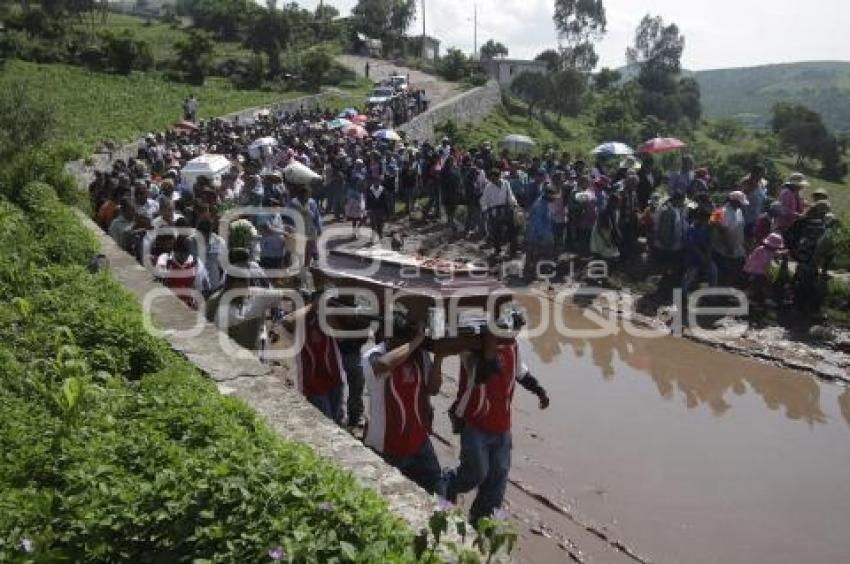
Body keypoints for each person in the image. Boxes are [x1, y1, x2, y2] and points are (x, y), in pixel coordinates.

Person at [444, 327, 549, 524]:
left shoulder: (513, 347)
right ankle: (448, 483)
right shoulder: (471, 351)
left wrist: (539, 390)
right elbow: (482, 373)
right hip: (475, 423)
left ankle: (480, 521)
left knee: (497, 479)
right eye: (510, 331)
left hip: (502, 425)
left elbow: (521, 372)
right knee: (475, 473)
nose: (514, 335)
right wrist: (490, 343)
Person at [363, 312, 443, 494]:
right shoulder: (374, 355)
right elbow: (383, 366)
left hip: (418, 440)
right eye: (403, 339)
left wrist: (439, 357)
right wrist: (416, 342)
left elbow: (433, 389)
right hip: (388, 446)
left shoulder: (419, 356)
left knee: (437, 488)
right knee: (388, 496)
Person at [281, 294, 346, 423]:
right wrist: (313, 305)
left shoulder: (324, 319)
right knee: (326, 421)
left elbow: (341, 336)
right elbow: (287, 321)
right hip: (313, 382)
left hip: (334, 377)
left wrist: (327, 311)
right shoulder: (297, 326)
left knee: (337, 420)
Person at [155, 235, 211, 310]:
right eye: (180, 253)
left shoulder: (197, 264)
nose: (183, 256)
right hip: (168, 303)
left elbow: (198, 289)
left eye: (186, 253)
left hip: (188, 306)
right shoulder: (165, 259)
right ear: (174, 250)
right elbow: (160, 276)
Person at [480, 168, 519, 259]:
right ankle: (497, 250)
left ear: (498, 177)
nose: (493, 181)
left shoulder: (505, 183)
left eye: (494, 179)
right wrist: (485, 211)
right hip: (494, 211)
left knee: (512, 230)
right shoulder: (488, 187)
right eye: (491, 179)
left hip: (506, 209)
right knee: (496, 232)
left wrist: (514, 203)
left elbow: (510, 195)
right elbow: (483, 201)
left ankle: (513, 249)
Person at [712, 191, 748, 286]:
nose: (741, 205)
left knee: (736, 268)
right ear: (734, 201)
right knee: (724, 271)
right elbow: (720, 230)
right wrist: (728, 246)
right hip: (724, 248)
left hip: (736, 246)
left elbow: (740, 227)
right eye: (740, 202)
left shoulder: (738, 211)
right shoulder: (720, 211)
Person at [524, 184, 559, 279]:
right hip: (536, 234)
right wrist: (541, 235)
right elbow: (537, 222)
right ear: (548, 195)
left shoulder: (543, 201)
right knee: (534, 254)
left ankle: (536, 270)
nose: (554, 199)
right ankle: (531, 273)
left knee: (538, 253)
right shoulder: (540, 205)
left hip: (541, 232)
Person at [744, 233, 786, 304]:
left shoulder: (764, 250)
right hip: (761, 272)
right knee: (759, 286)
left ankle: (757, 298)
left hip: (761, 272)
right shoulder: (764, 250)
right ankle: (752, 298)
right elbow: (752, 258)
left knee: (761, 286)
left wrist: (748, 267)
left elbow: (751, 258)